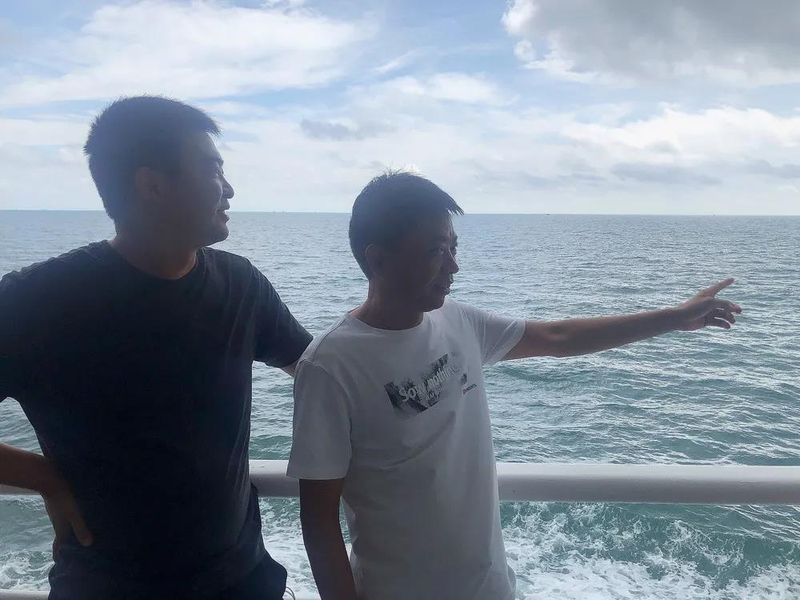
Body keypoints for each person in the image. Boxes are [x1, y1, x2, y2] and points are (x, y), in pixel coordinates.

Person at [287, 171, 742, 600]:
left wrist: (676, 317)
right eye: (436, 251)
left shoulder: (459, 322)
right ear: (378, 259)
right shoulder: (331, 367)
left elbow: (558, 338)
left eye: (454, 247)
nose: (454, 266)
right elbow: (320, 521)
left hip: (490, 587)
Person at [0, 96, 311, 599]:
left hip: (243, 582)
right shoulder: (36, 302)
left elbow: (314, 370)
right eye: (213, 169)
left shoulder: (240, 285)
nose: (229, 188)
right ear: (153, 185)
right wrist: (43, 476)